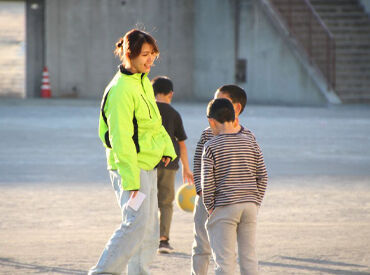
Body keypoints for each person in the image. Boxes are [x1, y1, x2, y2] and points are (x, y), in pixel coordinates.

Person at [89, 29, 177, 275]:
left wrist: (167, 149)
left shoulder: (142, 83)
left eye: (153, 55)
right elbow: (121, 140)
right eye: (145, 55)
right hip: (129, 168)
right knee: (135, 225)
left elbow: (154, 123)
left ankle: (139, 272)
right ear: (129, 54)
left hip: (146, 165)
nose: (150, 60)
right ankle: (102, 272)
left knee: (149, 227)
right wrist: (131, 180)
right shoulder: (120, 90)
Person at [191, 85, 264, 274]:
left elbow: (259, 173)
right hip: (215, 201)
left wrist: (213, 207)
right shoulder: (207, 134)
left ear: (236, 108)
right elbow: (198, 166)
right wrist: (203, 197)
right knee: (202, 247)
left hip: (222, 206)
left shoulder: (247, 136)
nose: (217, 103)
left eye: (221, 100)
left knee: (225, 259)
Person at [151, 76, 194, 253]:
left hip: (148, 163)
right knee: (166, 203)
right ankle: (163, 239)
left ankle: (146, 237)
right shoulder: (174, 114)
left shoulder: (146, 110)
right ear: (171, 94)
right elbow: (182, 144)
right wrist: (186, 167)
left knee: (147, 201)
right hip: (169, 165)